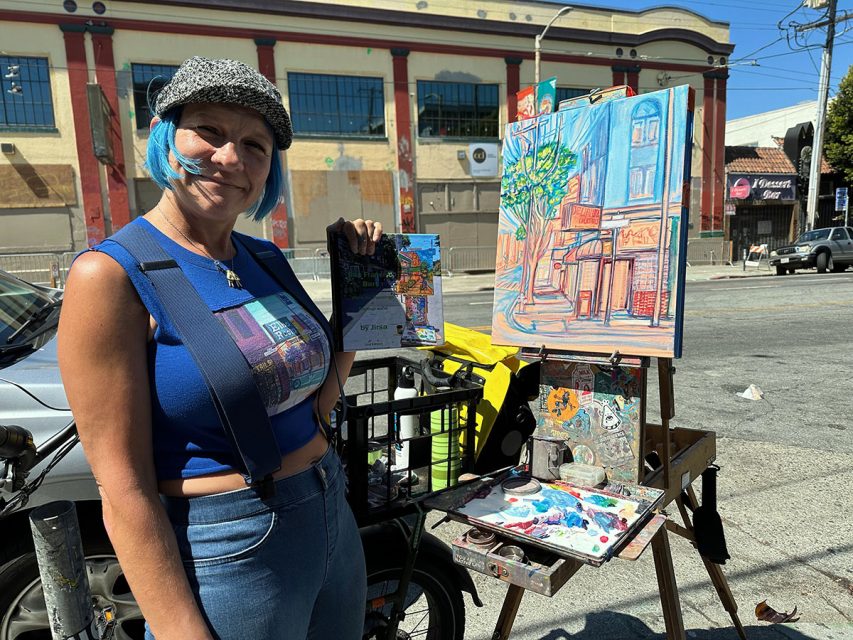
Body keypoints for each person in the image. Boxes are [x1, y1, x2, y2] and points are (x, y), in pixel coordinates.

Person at [57, 56, 379, 640]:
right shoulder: (111, 276)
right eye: (209, 131)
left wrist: (361, 289)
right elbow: (123, 488)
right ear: (165, 136)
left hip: (329, 507)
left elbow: (317, 404)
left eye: (255, 145)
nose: (231, 158)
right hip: (231, 546)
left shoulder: (265, 260)